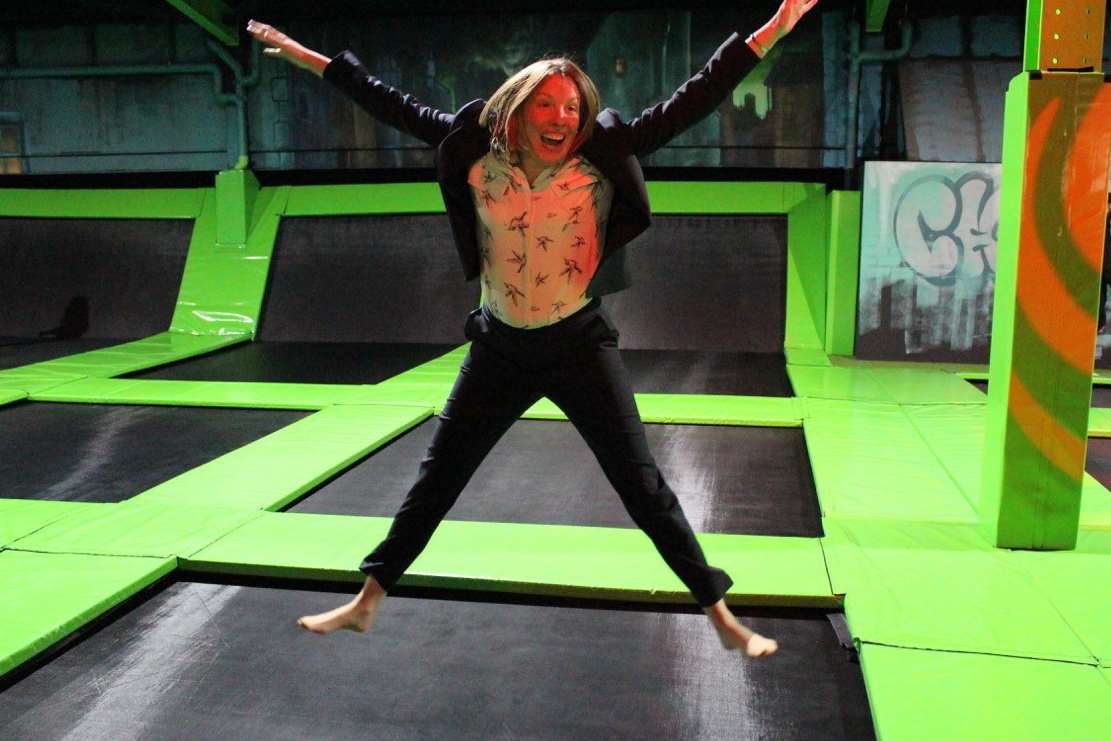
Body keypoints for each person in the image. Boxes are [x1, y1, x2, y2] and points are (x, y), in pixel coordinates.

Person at [248, 0, 816, 659]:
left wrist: (772, 29)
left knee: (639, 481)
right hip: (499, 344)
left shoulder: (604, 150)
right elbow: (385, 101)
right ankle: (365, 600)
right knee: (439, 473)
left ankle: (719, 611)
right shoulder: (468, 146)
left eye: (571, 107)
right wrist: (301, 55)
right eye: (546, 105)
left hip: (577, 342)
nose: (560, 118)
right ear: (517, 106)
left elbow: (697, 96)